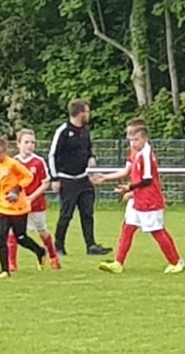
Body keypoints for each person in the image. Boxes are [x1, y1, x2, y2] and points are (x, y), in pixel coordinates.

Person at [92, 126, 184, 274]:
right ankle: (118, 263)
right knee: (127, 228)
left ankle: (175, 262)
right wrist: (106, 177)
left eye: (136, 140)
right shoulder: (134, 151)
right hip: (137, 198)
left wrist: (129, 188)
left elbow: (147, 180)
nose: (133, 143)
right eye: (130, 140)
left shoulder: (146, 154)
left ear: (145, 138)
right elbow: (127, 171)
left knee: (157, 230)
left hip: (149, 199)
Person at [49, 99, 111, 256]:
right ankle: (58, 245)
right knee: (66, 215)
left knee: (87, 213)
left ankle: (91, 245)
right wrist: (55, 178)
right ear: (80, 113)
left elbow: (88, 148)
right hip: (67, 179)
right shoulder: (63, 131)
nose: (89, 115)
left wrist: (92, 157)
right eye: (87, 111)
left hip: (83, 179)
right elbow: (52, 155)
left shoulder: (85, 130)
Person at [0, 137, 47, 278]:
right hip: (1, 207)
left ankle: (40, 251)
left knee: (21, 237)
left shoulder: (13, 164)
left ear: (5, 152)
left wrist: (16, 190)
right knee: (1, 237)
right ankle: (5, 270)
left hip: (18, 207)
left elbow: (28, 176)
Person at [6, 129, 60, 271]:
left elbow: (45, 183)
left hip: (36, 204)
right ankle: (12, 264)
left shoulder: (38, 161)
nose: (30, 145)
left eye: (33, 142)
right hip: (18, 205)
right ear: (18, 144)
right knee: (13, 232)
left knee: (42, 231)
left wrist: (32, 197)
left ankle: (53, 256)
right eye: (26, 142)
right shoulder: (13, 162)